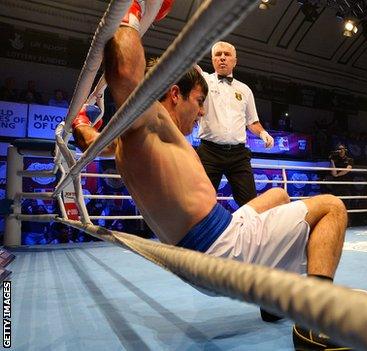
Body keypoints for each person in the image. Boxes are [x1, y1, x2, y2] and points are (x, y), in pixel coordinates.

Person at [71, 1, 350, 349]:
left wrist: (81, 120)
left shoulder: (125, 142)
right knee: (332, 207)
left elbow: (90, 142)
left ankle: (271, 297)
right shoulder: (152, 120)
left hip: (193, 256)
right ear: (174, 95)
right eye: (199, 100)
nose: (202, 111)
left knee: (277, 196)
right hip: (223, 251)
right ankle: (315, 322)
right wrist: (136, 11)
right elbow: (126, 73)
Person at [195, 41, 274, 207]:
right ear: (212, 60)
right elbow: (189, 64)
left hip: (238, 155)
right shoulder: (205, 81)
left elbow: (252, 121)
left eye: (227, 54)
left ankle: (249, 233)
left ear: (234, 61)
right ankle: (207, 233)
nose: (222, 58)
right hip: (209, 152)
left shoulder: (245, 89)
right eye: (218, 54)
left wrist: (263, 133)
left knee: (250, 203)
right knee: (202, 202)